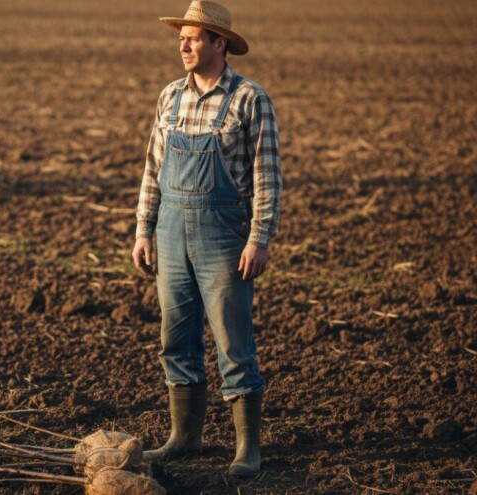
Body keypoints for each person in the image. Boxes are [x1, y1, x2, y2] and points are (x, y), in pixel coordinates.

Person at [130, 0, 282, 477]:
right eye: (181, 37)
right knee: (176, 339)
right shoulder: (169, 97)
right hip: (170, 231)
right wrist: (143, 229)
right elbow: (152, 170)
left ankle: (246, 449)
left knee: (232, 342)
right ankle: (185, 436)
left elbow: (267, 177)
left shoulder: (249, 99)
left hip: (224, 236)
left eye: (194, 37)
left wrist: (259, 238)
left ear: (219, 43)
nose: (184, 44)